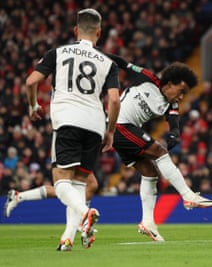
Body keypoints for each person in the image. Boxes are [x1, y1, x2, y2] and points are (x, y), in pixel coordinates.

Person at [24, 8, 121, 251]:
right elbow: (115, 100)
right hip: (95, 125)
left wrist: (33, 104)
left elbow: (31, 81)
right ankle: (67, 238)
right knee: (79, 184)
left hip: (67, 120)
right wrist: (109, 131)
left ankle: (85, 213)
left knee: (60, 182)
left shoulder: (57, 53)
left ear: (75, 30)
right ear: (99, 32)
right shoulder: (108, 62)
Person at [106, 53, 212, 242]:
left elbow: (174, 124)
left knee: (150, 172)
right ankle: (187, 195)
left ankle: (148, 222)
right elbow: (123, 63)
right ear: (170, 83)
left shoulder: (170, 104)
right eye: (181, 90)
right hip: (118, 126)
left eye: (185, 94)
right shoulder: (147, 78)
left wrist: (174, 134)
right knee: (159, 151)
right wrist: (94, 52)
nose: (181, 97)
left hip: (126, 132)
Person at [4, 175, 97, 218]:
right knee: (89, 184)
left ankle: (18, 196)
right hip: (69, 148)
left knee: (69, 190)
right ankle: (82, 218)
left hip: (73, 148)